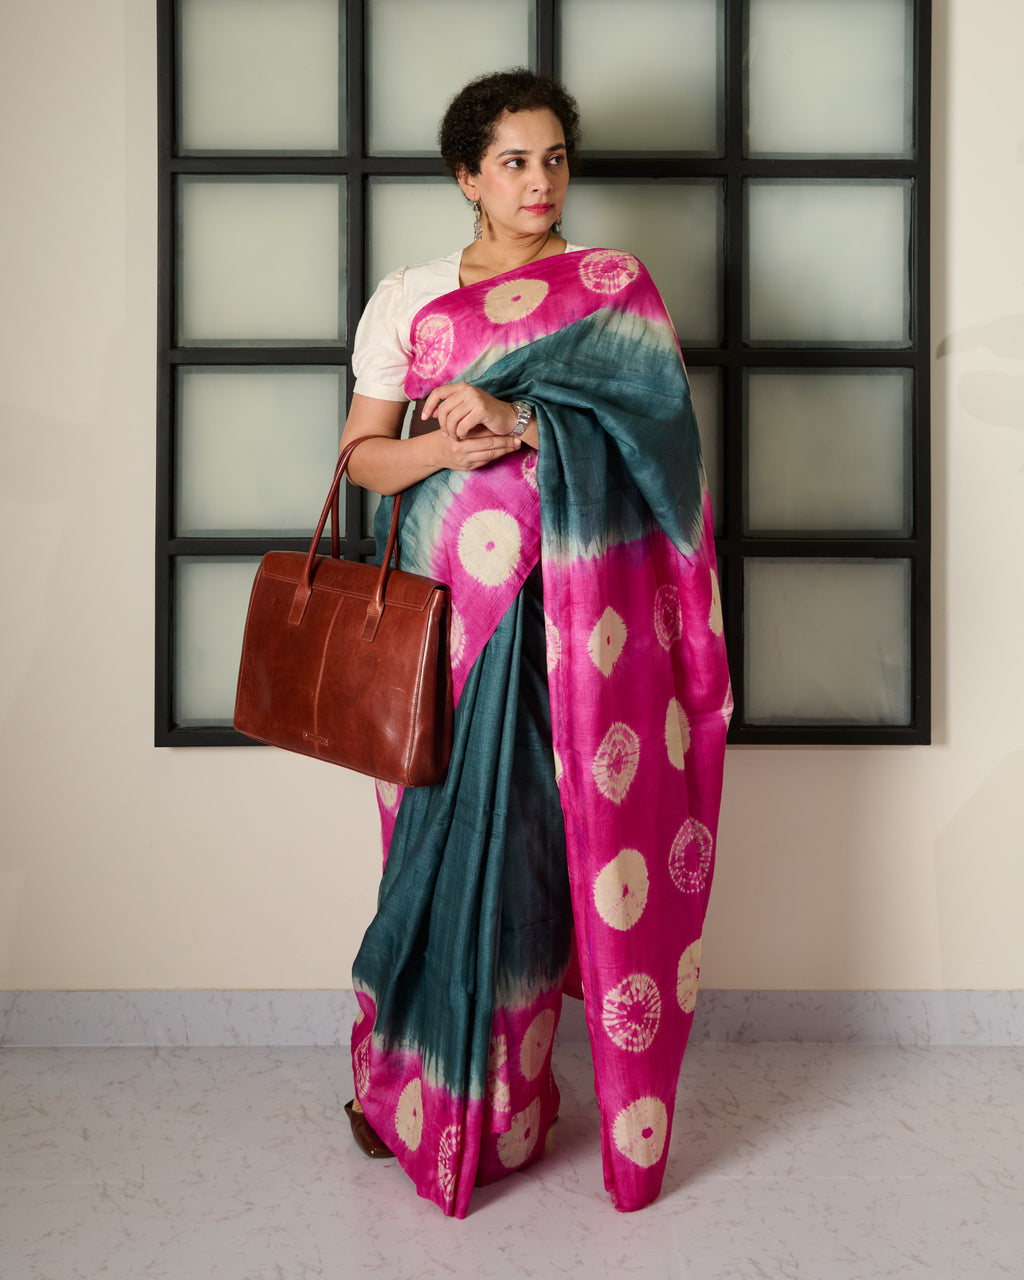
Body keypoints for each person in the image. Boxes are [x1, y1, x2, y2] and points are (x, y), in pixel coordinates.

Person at [340, 69, 731, 1219]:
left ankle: (502, 1104)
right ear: (467, 176)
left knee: (527, 853)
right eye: (513, 160)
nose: (539, 179)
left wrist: (520, 418)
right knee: (425, 854)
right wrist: (444, 448)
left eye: (554, 157)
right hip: (441, 619)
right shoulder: (411, 296)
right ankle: (396, 1080)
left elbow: (663, 449)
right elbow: (361, 457)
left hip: (567, 626)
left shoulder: (608, 292)